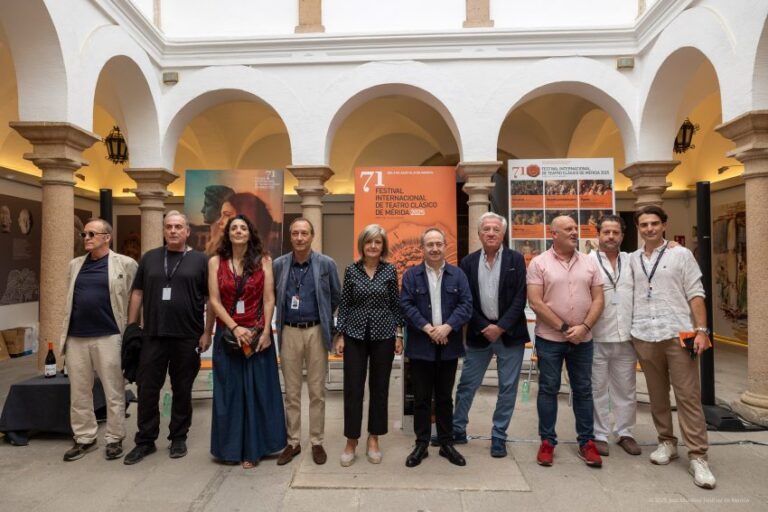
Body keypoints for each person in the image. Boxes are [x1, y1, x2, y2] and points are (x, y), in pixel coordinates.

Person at [630, 205, 716, 489]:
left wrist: (702, 331)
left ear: (664, 225)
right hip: (645, 334)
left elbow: (696, 294)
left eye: (654, 223)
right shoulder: (632, 259)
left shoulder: (681, 254)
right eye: (644, 225)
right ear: (639, 228)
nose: (650, 228)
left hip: (679, 334)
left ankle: (698, 456)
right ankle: (666, 442)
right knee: (656, 396)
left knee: (688, 397)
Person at [123, 211, 210, 465]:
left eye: (178, 227)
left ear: (187, 232)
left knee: (182, 388)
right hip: (153, 334)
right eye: (169, 227)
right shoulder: (149, 258)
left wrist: (207, 331)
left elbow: (210, 299)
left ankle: (178, 437)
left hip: (187, 336)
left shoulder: (200, 260)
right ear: (163, 230)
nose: (173, 231)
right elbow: (137, 293)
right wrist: (131, 326)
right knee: (147, 388)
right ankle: (145, 440)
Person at [447, 212, 529, 458]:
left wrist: (500, 326)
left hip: (509, 334)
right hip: (479, 334)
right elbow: (466, 299)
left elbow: (520, 298)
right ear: (479, 234)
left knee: (507, 388)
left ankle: (499, 436)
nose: (491, 233)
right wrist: (485, 326)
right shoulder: (468, 263)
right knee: (466, 385)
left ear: (503, 234)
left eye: (496, 229)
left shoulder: (516, 259)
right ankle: (458, 429)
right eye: (486, 229)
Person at [207, 215, 286, 467]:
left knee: (258, 391)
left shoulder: (263, 261)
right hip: (228, 336)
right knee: (229, 393)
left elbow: (269, 299)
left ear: (250, 233)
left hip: (257, 336)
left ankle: (255, 449)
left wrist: (265, 333)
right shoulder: (215, 262)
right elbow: (214, 301)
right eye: (234, 228)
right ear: (227, 234)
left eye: (243, 227)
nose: (238, 231)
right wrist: (234, 327)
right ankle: (230, 450)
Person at [527, 215, 605, 468]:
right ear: (554, 234)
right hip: (550, 338)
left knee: (583, 389)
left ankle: (587, 442)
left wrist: (584, 327)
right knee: (548, 389)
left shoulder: (590, 263)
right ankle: (547, 441)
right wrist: (563, 327)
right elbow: (535, 302)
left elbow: (598, 300)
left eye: (575, 228)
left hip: (583, 339)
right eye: (568, 229)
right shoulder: (539, 263)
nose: (574, 232)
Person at [60, 218, 138, 461]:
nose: (86, 238)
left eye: (92, 234)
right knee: (79, 391)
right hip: (76, 337)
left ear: (107, 237)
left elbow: (137, 296)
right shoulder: (75, 265)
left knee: (113, 389)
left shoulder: (125, 264)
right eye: (84, 234)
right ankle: (84, 438)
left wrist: (135, 330)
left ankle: (115, 438)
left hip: (109, 335)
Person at [400, 228, 472, 467]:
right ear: (423, 247)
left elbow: (466, 305)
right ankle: (421, 443)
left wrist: (447, 327)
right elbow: (406, 305)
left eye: (438, 244)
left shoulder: (458, 274)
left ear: (444, 246)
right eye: (429, 244)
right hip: (421, 345)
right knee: (420, 397)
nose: (434, 248)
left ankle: (446, 443)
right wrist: (429, 328)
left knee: (444, 397)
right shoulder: (412, 276)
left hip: (448, 345)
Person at [273, 218, 341, 466]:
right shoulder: (279, 265)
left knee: (316, 391)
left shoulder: (326, 264)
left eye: (304, 233)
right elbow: (271, 297)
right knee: (291, 391)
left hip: (315, 331)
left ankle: (316, 441)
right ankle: (293, 442)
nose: (300, 237)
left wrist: (327, 323)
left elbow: (336, 297)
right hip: (289, 331)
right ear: (290, 237)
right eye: (295, 233)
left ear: (312, 236)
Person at [335, 224, 404, 466]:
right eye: (369, 242)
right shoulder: (351, 270)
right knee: (353, 388)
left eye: (377, 242)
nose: (373, 246)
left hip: (383, 336)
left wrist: (398, 335)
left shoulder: (389, 270)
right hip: (354, 335)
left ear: (383, 246)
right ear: (362, 245)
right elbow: (344, 304)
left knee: (379, 388)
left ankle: (373, 438)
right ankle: (351, 440)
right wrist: (340, 335)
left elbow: (396, 305)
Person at [588, 214, 641, 457]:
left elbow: (658, 251)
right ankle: (599, 434)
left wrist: (671, 244)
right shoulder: (587, 261)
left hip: (626, 336)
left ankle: (625, 432)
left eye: (615, 232)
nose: (611, 236)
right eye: (606, 232)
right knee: (597, 388)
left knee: (626, 388)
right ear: (598, 234)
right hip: (596, 335)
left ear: (622, 235)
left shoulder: (632, 260)